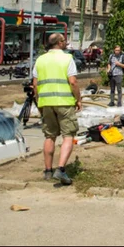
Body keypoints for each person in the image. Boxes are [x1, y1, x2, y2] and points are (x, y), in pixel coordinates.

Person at [32, 33, 82, 186]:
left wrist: (38, 102)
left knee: (49, 136)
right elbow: (72, 82)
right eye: (64, 40)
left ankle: (48, 171)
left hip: (46, 102)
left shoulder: (40, 59)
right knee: (68, 135)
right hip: (64, 102)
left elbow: (35, 84)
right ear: (60, 43)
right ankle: (61, 168)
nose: (66, 43)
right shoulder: (67, 58)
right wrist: (78, 99)